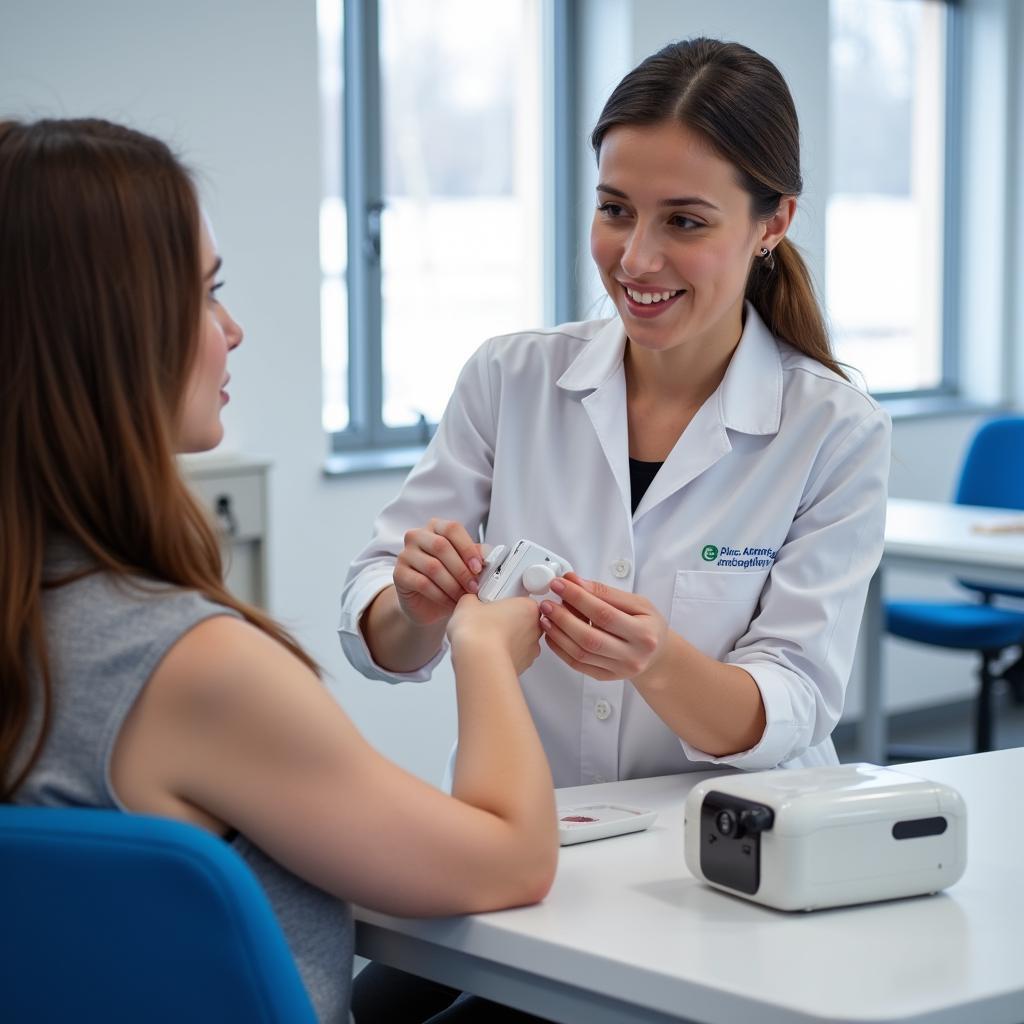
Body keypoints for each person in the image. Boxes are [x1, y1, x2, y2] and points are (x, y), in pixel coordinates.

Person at [0, 117, 560, 1024]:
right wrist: (485, 648)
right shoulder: (187, 668)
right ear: (107, 333)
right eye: (206, 294)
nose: (233, 330)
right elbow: (511, 861)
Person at [342, 38, 891, 807]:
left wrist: (658, 660)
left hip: (731, 850)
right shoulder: (510, 379)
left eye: (685, 223)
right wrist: (412, 604)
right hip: (527, 828)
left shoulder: (834, 430)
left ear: (773, 224)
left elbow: (794, 700)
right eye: (615, 211)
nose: (635, 259)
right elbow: (378, 636)